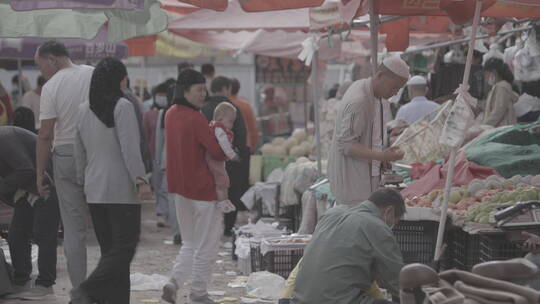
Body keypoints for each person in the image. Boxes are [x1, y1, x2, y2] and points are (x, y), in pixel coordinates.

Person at [72, 57, 151, 304]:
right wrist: (140, 180)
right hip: (120, 191)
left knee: (112, 253)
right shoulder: (122, 106)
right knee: (124, 248)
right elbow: (130, 148)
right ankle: (88, 288)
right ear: (118, 79)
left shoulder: (83, 109)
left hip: (95, 190)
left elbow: (79, 151)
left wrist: (82, 180)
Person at [161, 69, 228, 304]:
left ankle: (173, 282)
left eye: (204, 89)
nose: (203, 94)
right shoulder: (196, 118)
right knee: (207, 245)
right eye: (199, 90)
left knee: (189, 243)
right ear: (185, 90)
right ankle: (199, 293)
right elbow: (217, 151)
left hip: (180, 189)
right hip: (202, 191)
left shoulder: (170, 113)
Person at [34, 40, 94, 295]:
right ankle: (110, 286)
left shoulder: (51, 86)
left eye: (41, 65)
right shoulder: (93, 74)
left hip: (66, 156)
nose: (41, 72)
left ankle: (80, 291)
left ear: (54, 60)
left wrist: (39, 174)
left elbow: (45, 135)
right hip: (97, 154)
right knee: (105, 224)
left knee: (73, 228)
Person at [291, 188, 406, 304]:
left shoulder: (331, 214)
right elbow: (398, 281)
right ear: (389, 211)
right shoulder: (378, 227)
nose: (392, 226)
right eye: (395, 222)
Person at [327, 56, 408, 206]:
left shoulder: (370, 93)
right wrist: (381, 156)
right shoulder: (360, 100)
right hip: (353, 185)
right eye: (394, 87)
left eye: (399, 89)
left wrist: (382, 156)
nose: (396, 92)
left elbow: (366, 137)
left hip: (362, 182)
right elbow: (346, 145)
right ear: (380, 76)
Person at [0, 126, 60, 300]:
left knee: (44, 234)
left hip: (46, 183)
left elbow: (25, 169)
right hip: (26, 189)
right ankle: (21, 279)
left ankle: (45, 283)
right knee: (16, 235)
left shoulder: (5, 139)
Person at [201, 76, 250, 237]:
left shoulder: (203, 108)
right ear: (227, 88)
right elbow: (242, 135)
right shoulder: (232, 109)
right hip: (229, 160)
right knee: (230, 190)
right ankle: (228, 227)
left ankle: (210, 226)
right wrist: (239, 155)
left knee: (210, 192)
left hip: (205, 160)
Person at [145, 79, 176, 228]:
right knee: (163, 188)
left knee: (168, 189)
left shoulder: (170, 113)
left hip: (171, 158)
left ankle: (170, 216)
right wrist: (157, 159)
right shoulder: (163, 114)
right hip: (164, 158)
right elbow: (158, 138)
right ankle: (163, 214)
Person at [207, 102, 240, 211]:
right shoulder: (219, 129)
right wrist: (233, 156)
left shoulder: (219, 128)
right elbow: (224, 144)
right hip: (213, 159)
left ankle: (225, 200)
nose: (232, 125)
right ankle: (222, 202)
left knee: (224, 180)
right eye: (230, 121)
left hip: (217, 159)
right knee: (220, 180)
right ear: (220, 119)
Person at [482, 57, 519, 127]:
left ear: (494, 72)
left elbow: (498, 111)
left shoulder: (502, 87)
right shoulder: (498, 87)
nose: (485, 78)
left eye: (486, 74)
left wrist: (485, 126)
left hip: (502, 128)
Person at [229, 78, 259, 153]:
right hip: (244, 144)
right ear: (238, 89)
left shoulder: (224, 104)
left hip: (227, 145)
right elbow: (252, 127)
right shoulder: (245, 105)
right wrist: (254, 145)